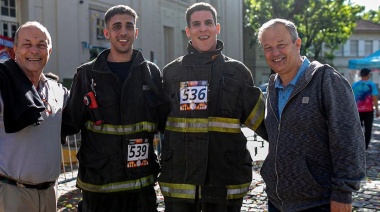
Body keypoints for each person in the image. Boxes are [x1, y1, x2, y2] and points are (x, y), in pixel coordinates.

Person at [158, 2, 267, 212]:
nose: (203, 28)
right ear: (188, 31)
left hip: (224, 184)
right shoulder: (172, 73)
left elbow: (265, 122)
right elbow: (157, 121)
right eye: (196, 24)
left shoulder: (237, 73)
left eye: (208, 22)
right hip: (180, 185)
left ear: (217, 28)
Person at [257, 18, 366, 212]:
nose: (275, 53)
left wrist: (343, 192)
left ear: (297, 44)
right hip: (277, 202)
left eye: (281, 45)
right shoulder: (273, 85)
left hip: (317, 203)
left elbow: (349, 139)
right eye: (268, 47)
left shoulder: (326, 80)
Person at [61, 5, 162, 212]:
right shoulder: (87, 75)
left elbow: (164, 120)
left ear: (136, 32)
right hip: (99, 187)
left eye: (128, 26)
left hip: (140, 185)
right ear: (106, 33)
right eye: (116, 26)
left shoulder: (150, 73)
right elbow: (68, 123)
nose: (123, 32)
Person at [0, 21, 69, 212]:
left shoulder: (58, 91)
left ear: (50, 50)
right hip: (12, 195)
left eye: (41, 45)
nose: (34, 51)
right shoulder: (3, 86)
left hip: (49, 195)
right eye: (27, 44)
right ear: (15, 49)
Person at [352, 68, 380, 150]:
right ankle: (365, 147)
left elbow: (351, 97)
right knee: (368, 129)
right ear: (368, 75)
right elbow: (374, 98)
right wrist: (377, 110)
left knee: (358, 129)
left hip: (357, 111)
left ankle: (358, 146)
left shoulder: (354, 85)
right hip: (368, 110)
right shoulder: (371, 85)